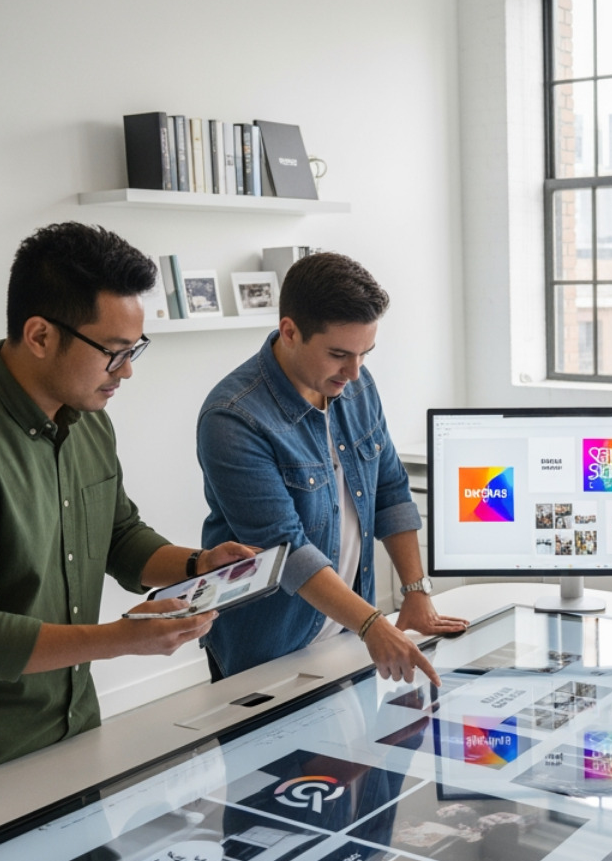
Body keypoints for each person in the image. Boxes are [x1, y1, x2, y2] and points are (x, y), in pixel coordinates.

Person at [0, 223, 254, 807]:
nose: (126, 372)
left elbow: (118, 534)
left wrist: (198, 565)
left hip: (70, 732)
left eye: (135, 350)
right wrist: (122, 639)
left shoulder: (88, 418)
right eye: (114, 353)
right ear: (40, 335)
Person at [197, 252, 465, 682]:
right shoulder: (232, 418)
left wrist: (415, 592)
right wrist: (373, 623)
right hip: (270, 645)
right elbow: (286, 550)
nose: (354, 372)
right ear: (290, 331)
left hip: (347, 632)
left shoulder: (356, 386)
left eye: (365, 353)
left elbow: (391, 489)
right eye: (339, 354)